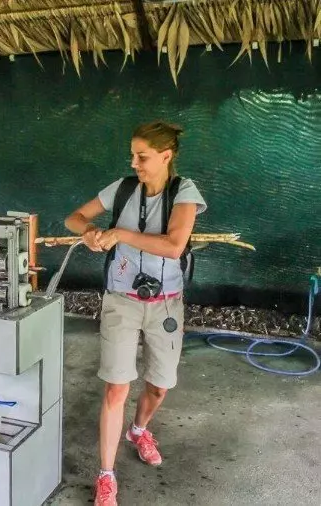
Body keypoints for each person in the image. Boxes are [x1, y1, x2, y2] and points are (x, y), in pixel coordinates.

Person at [64, 122, 207, 506]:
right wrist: (88, 231)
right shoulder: (123, 188)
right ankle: (106, 475)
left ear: (166, 156)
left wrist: (121, 234)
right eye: (132, 155)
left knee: (160, 385)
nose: (134, 163)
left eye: (142, 157)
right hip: (121, 300)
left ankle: (139, 430)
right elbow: (73, 218)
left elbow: (174, 246)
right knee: (116, 387)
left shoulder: (184, 192)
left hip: (166, 303)